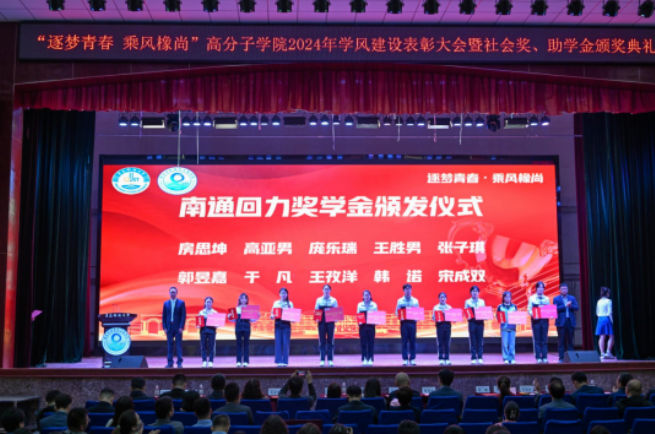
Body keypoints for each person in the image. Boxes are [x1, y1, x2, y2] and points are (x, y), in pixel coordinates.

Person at [229, 293, 260, 368]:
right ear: (239, 299)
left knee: (246, 345)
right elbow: (233, 320)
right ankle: (238, 361)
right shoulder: (236, 309)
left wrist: (257, 316)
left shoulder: (249, 309)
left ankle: (246, 361)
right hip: (238, 328)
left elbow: (252, 320)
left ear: (247, 300)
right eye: (242, 298)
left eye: (245, 298)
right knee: (238, 345)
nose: (243, 300)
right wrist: (229, 317)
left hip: (247, 328)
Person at [553, 283, 579, 363]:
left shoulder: (572, 298)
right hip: (561, 322)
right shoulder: (556, 298)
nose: (564, 290)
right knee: (561, 341)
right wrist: (565, 305)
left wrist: (571, 306)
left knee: (570, 341)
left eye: (566, 289)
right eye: (563, 289)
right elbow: (555, 308)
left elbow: (577, 307)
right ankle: (561, 358)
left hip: (570, 322)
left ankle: (571, 358)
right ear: (560, 290)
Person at [396, 284, 420, 366]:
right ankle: (405, 359)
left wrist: (417, 318)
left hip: (412, 323)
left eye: (409, 289)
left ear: (411, 290)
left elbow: (418, 313)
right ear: (403, 290)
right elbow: (397, 312)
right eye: (406, 289)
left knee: (413, 341)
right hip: (404, 323)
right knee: (404, 342)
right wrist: (400, 317)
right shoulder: (400, 301)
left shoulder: (415, 301)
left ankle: (412, 358)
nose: (408, 291)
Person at [162, 286, 186, 368]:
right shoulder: (166, 303)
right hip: (169, 327)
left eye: (174, 292)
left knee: (178, 346)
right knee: (170, 345)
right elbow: (164, 316)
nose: (172, 293)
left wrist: (181, 327)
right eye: (171, 292)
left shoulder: (181, 303)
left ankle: (179, 362)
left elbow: (183, 316)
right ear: (169, 293)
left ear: (176, 293)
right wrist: (164, 327)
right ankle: (170, 362)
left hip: (178, 327)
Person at [315, 284, 339, 367]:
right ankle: (322, 360)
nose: (326, 290)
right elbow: (316, 310)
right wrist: (317, 318)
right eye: (325, 289)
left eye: (327, 289)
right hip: (321, 322)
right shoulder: (319, 300)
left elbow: (336, 311)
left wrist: (336, 318)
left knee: (330, 341)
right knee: (322, 341)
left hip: (330, 323)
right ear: (322, 290)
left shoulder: (333, 300)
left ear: (330, 290)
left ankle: (330, 360)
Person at [527, 281, 551, 363]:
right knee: (537, 340)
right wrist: (533, 314)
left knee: (544, 339)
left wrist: (551, 314)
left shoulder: (546, 298)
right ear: (536, 288)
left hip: (544, 321)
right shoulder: (532, 298)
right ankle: (538, 357)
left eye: (542, 287)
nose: (541, 289)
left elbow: (549, 309)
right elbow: (529, 309)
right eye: (539, 287)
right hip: (536, 321)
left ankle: (544, 357)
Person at [271, 288, 294, 367]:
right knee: (278, 343)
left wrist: (293, 319)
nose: (283, 295)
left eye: (284, 293)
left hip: (286, 325)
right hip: (278, 324)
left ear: (287, 294)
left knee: (285, 343)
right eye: (281, 293)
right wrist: (272, 316)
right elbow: (271, 314)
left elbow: (293, 315)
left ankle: (285, 361)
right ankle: (279, 361)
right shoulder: (276, 303)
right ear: (279, 294)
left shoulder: (290, 303)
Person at [465, 286, 486, 364]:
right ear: (471, 292)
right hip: (472, 323)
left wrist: (485, 316)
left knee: (480, 341)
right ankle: (473, 357)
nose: (475, 292)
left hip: (480, 323)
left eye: (476, 291)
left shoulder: (482, 301)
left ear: (478, 292)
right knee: (473, 340)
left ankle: (480, 357)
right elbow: (466, 312)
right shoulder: (468, 302)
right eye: (473, 291)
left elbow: (484, 311)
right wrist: (468, 316)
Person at [357, 289, 378, 366]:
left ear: (370, 296)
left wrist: (377, 321)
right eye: (365, 295)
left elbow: (376, 315)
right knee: (363, 343)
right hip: (363, 327)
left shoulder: (374, 305)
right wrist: (359, 321)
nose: (366, 297)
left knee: (371, 343)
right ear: (363, 296)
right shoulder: (360, 305)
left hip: (371, 327)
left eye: (368, 295)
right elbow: (358, 314)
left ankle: (370, 358)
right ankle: (364, 358)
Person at [496, 291, 517, 364]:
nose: (508, 298)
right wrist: (500, 320)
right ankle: (506, 358)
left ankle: (512, 358)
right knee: (505, 344)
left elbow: (517, 316)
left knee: (512, 344)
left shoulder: (514, 306)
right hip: (504, 328)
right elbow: (497, 316)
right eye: (506, 297)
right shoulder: (500, 306)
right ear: (503, 298)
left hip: (512, 328)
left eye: (509, 297)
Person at [433, 292, 453, 365]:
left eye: (444, 297)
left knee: (447, 343)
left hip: (447, 327)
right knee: (440, 343)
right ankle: (441, 358)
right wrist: (436, 318)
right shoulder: (436, 307)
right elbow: (433, 317)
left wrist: (454, 318)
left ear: (446, 298)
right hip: (440, 327)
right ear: (439, 298)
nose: (442, 298)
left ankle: (447, 358)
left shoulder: (449, 307)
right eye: (441, 297)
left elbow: (452, 316)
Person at [198, 296, 218, 368]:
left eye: (210, 302)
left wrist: (216, 324)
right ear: (205, 303)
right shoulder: (201, 312)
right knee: (203, 346)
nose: (208, 303)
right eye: (207, 302)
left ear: (212, 303)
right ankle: (204, 361)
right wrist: (198, 325)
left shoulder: (215, 312)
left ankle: (210, 361)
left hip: (212, 331)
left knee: (211, 347)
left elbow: (217, 324)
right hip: (203, 331)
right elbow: (198, 323)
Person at [596, 287, 615, 359]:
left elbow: (597, 312)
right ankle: (608, 352)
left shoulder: (599, 301)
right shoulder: (608, 301)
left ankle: (602, 353)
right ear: (607, 293)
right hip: (606, 318)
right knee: (611, 336)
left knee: (602, 337)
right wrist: (612, 321)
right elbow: (610, 312)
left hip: (600, 319)